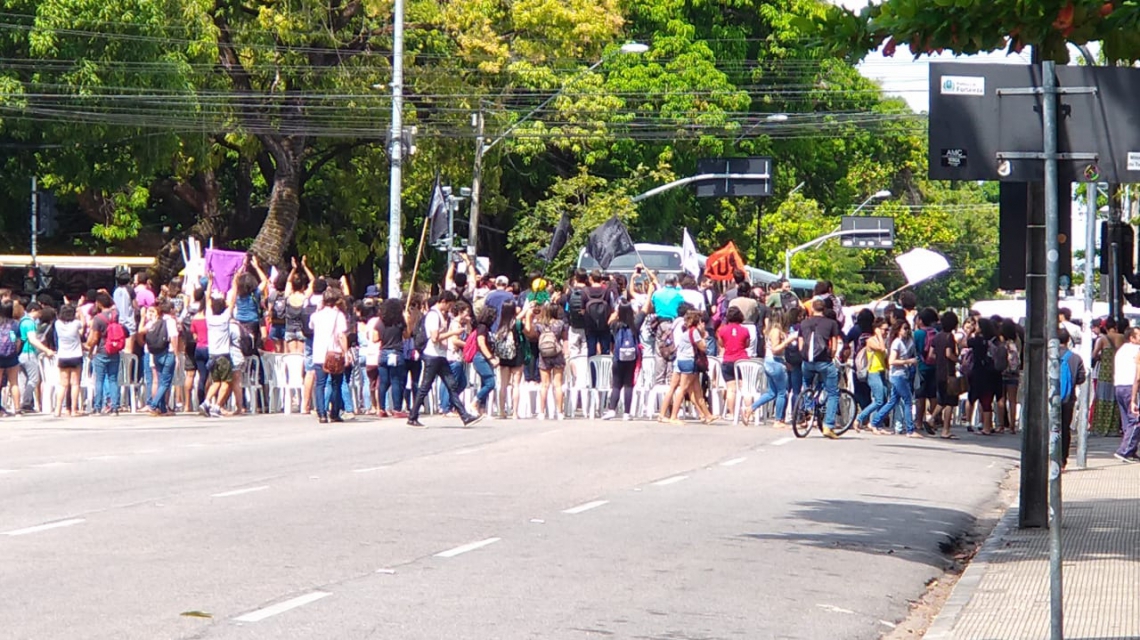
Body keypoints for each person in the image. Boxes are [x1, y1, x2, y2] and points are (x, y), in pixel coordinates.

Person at [407, 291, 483, 428]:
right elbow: (435, 337)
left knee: (452, 385)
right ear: (443, 301)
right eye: (449, 305)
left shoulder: (442, 316)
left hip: (441, 356)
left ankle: (464, 416)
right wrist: (453, 333)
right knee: (425, 386)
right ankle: (412, 417)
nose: (449, 308)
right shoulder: (433, 315)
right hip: (432, 355)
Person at [799, 298, 843, 438]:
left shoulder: (804, 323)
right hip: (824, 361)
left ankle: (809, 407)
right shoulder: (831, 323)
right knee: (833, 392)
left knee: (806, 383)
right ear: (824, 309)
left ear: (812, 309)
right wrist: (832, 356)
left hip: (807, 361)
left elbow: (800, 344)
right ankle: (828, 425)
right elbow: (834, 345)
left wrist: (804, 355)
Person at [743, 310, 796, 427]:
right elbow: (775, 349)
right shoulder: (776, 332)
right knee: (783, 392)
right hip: (775, 363)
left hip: (769, 361)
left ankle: (750, 408)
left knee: (772, 392)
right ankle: (778, 420)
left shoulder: (770, 331)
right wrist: (789, 340)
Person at [663, 309, 715, 424]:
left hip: (681, 360)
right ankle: (674, 416)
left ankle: (707, 415)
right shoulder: (694, 331)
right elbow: (703, 347)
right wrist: (704, 336)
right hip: (689, 361)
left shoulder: (686, 332)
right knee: (682, 389)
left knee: (697, 391)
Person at [871, 320, 921, 437]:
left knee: (893, 401)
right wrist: (908, 361)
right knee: (908, 400)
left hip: (902, 374)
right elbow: (891, 361)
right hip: (898, 376)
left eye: (908, 328)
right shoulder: (897, 343)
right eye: (904, 328)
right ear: (898, 330)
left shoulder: (906, 342)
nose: (907, 331)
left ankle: (875, 422)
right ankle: (910, 430)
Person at [310, 287, 350, 423]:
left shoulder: (316, 315)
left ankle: (321, 413)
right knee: (336, 383)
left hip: (319, 353)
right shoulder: (338, 315)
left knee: (320, 384)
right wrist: (346, 352)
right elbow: (341, 335)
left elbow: (311, 326)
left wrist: (318, 309)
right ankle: (334, 413)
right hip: (334, 352)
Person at [140, 300, 180, 416]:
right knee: (165, 382)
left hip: (156, 353)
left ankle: (162, 409)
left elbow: (142, 331)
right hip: (168, 353)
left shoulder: (156, 321)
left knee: (161, 380)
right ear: (171, 310)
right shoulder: (170, 321)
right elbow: (173, 338)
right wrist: (176, 354)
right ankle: (154, 405)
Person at [85, 293, 122, 415]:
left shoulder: (98, 318)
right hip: (115, 350)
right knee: (113, 379)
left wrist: (89, 348)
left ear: (99, 304)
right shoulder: (116, 315)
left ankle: (97, 406)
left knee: (99, 380)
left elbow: (95, 338)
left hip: (102, 351)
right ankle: (115, 406)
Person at [964, 318, 1001, 436]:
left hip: (978, 372)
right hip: (991, 373)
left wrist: (969, 333)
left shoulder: (977, 340)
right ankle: (987, 426)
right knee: (987, 401)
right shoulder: (994, 340)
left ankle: (972, 423)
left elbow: (964, 344)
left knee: (972, 397)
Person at [854, 318, 890, 435]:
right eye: (884, 329)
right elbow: (882, 349)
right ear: (877, 329)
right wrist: (879, 335)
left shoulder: (883, 340)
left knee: (884, 399)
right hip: (873, 372)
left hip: (881, 371)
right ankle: (860, 418)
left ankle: (876, 424)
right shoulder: (871, 340)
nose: (886, 332)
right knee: (878, 400)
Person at [374, 299, 409, 418]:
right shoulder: (400, 322)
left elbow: (374, 339)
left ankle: (381, 408)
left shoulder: (380, 322)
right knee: (396, 382)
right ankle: (397, 409)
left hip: (383, 352)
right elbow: (407, 335)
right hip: (396, 352)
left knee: (383, 382)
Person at [1058, 329, 1087, 468]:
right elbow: (1082, 378)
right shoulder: (1075, 358)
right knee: (1065, 428)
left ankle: (1048, 458)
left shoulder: (1047, 356)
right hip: (1068, 399)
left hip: (1049, 399)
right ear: (1068, 341)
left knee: (1048, 428)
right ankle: (1062, 461)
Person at [18, 301, 54, 414]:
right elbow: (32, 340)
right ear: (33, 310)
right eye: (39, 312)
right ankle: (26, 403)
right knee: (34, 379)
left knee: (23, 380)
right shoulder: (29, 323)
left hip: (19, 355)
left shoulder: (21, 321)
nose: (40, 315)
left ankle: (20, 403)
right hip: (28, 353)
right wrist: (46, 350)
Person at [492, 301, 526, 419]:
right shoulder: (517, 324)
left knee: (503, 385)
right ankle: (515, 412)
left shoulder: (500, 325)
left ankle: (502, 411)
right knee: (516, 385)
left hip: (504, 356)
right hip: (517, 354)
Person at [716, 307, 751, 419]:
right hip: (742, 360)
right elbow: (747, 344)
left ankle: (732, 413)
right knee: (745, 387)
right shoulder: (745, 330)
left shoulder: (722, 330)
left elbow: (721, 344)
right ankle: (749, 412)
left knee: (731, 389)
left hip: (728, 360)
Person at [1091, 318, 1124, 436]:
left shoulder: (1102, 339)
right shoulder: (1122, 338)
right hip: (1118, 372)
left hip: (1105, 373)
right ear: (1115, 326)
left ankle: (1101, 428)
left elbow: (1094, 354)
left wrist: (1101, 357)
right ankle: (1113, 428)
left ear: (1105, 328)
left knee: (1102, 398)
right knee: (1114, 400)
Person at [439, 301, 471, 417]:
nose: (469, 314)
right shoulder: (455, 324)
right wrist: (468, 345)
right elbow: (455, 340)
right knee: (452, 383)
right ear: (461, 312)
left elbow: (469, 334)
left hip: (460, 358)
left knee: (462, 382)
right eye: (467, 311)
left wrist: (468, 324)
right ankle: (445, 407)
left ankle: (452, 403)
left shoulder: (462, 324)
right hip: (454, 356)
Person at [932, 311, 961, 439]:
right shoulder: (950, 337)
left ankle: (931, 419)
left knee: (942, 399)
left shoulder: (937, 337)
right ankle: (945, 430)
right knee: (950, 402)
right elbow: (949, 354)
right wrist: (958, 359)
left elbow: (931, 354)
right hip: (949, 372)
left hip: (938, 371)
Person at [1113, 326, 1140, 463]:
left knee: (1127, 420)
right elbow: (1138, 375)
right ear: (1132, 338)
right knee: (1136, 419)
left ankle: (1131, 450)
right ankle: (1124, 451)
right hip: (1131, 387)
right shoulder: (1137, 350)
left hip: (1119, 386)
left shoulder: (1121, 350)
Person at [53, 304, 84, 417]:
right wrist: (81, 315)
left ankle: (58, 410)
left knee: (62, 385)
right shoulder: (76, 324)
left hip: (63, 356)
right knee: (75, 384)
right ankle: (74, 410)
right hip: (76, 355)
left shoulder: (57, 324)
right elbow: (83, 327)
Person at [913, 308, 940, 434]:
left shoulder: (918, 334)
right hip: (934, 366)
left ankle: (919, 421)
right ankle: (933, 421)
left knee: (920, 396)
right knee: (933, 395)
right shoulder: (936, 332)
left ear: (921, 320)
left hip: (921, 367)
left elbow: (915, 350)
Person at [470, 306, 498, 417]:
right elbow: (481, 343)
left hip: (485, 358)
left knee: (484, 383)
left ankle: (482, 409)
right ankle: (474, 402)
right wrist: (491, 358)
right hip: (481, 357)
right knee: (491, 383)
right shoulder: (482, 327)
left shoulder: (488, 329)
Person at [996, 318, 1022, 434]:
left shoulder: (1001, 343)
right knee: (1012, 400)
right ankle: (1012, 426)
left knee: (1001, 399)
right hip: (1014, 373)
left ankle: (1001, 425)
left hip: (1001, 372)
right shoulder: (1017, 341)